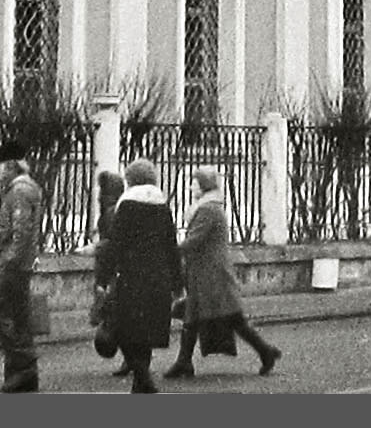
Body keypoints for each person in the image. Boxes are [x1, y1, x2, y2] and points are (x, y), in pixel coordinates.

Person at [164, 166, 280, 379]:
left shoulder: (209, 209)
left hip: (212, 274)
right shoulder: (208, 207)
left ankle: (266, 352)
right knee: (197, 316)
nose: (191, 186)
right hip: (206, 273)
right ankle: (184, 362)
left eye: (194, 182)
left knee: (230, 318)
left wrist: (170, 251)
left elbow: (194, 240)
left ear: (204, 185)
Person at [97, 157, 182, 393]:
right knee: (145, 332)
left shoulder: (127, 205)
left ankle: (143, 376)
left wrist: (103, 279)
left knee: (124, 330)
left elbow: (115, 244)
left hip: (132, 276)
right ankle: (140, 381)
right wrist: (178, 283)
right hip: (158, 277)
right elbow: (171, 245)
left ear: (131, 180)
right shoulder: (162, 205)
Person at [0, 139, 43, 393]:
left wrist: (8, 260)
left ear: (10, 165)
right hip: (22, 262)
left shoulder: (18, 192)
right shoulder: (24, 189)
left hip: (15, 264)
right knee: (19, 318)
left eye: (0, 166)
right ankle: (23, 376)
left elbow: (21, 231)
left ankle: (25, 361)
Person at [92, 169, 130, 379]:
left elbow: (110, 248)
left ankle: (131, 360)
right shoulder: (121, 210)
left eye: (101, 190)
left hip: (115, 273)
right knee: (119, 316)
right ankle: (131, 360)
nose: (98, 195)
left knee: (115, 316)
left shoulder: (109, 215)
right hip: (121, 271)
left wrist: (102, 280)